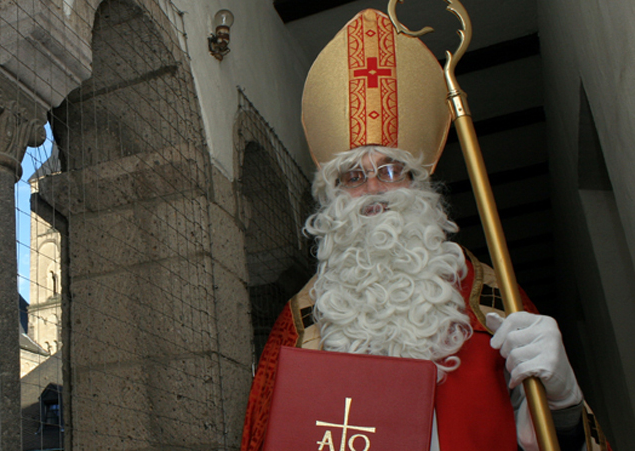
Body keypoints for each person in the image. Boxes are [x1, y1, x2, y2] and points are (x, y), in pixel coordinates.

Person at [240, 8, 609, 451]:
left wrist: (564, 410)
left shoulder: (491, 299)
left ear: (421, 186)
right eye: (353, 177)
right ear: (333, 200)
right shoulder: (299, 326)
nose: (373, 189)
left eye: (392, 171)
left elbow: (552, 440)